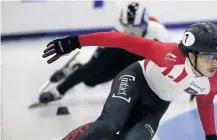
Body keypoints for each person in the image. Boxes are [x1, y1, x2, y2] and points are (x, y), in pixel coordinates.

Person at [18, 21, 217, 140]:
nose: (215, 62)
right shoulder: (165, 53)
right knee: (109, 124)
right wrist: (74, 42)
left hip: (157, 105)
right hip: (135, 79)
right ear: (191, 54)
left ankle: (84, 139)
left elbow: (205, 103)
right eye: (209, 56)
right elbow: (122, 40)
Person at [38, 2, 171, 104]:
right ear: (121, 25)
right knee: (92, 68)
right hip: (119, 50)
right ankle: (58, 91)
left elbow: (172, 61)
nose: (132, 33)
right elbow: (97, 47)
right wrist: (74, 43)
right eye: (127, 28)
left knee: (90, 82)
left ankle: (75, 68)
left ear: (146, 24)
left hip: (133, 58)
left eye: (137, 28)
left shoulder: (158, 32)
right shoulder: (118, 31)